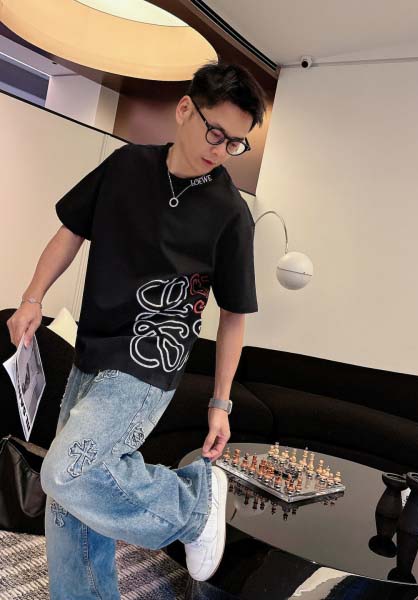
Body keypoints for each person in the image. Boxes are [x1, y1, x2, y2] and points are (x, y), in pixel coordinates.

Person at [6, 60, 266, 599]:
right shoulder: (126, 165)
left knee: (65, 472)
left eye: (235, 143)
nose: (221, 150)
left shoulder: (230, 214)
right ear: (185, 109)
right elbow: (70, 231)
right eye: (215, 132)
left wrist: (221, 404)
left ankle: (191, 504)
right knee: (68, 505)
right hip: (92, 351)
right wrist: (33, 298)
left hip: (149, 366)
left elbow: (234, 315)